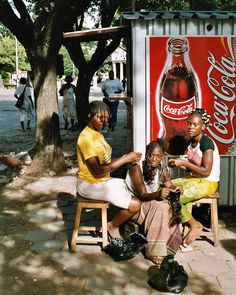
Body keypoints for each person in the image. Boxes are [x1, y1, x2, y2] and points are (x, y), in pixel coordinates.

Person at [76, 100, 142, 239]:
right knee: (135, 204)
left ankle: (115, 219)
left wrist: (124, 158)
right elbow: (98, 170)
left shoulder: (97, 134)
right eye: (100, 118)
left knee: (130, 187)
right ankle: (112, 226)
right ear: (90, 115)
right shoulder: (86, 138)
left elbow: (104, 162)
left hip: (101, 181)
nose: (104, 122)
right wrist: (124, 160)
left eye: (106, 118)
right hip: (89, 185)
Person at [125, 139, 183, 264]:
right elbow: (143, 195)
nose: (153, 159)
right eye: (151, 155)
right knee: (160, 206)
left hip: (148, 206)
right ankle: (154, 251)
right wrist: (158, 193)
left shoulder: (161, 168)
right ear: (146, 154)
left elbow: (169, 184)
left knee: (169, 205)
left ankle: (167, 248)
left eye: (157, 156)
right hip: (136, 207)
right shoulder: (136, 168)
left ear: (162, 157)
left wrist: (176, 188)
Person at [169, 108, 220, 247]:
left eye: (195, 124)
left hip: (208, 183)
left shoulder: (206, 143)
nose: (191, 127)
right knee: (167, 187)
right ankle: (176, 227)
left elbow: (205, 171)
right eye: (189, 123)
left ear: (203, 126)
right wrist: (178, 165)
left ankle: (195, 225)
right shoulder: (191, 142)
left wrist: (184, 162)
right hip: (195, 179)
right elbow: (192, 168)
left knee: (175, 197)